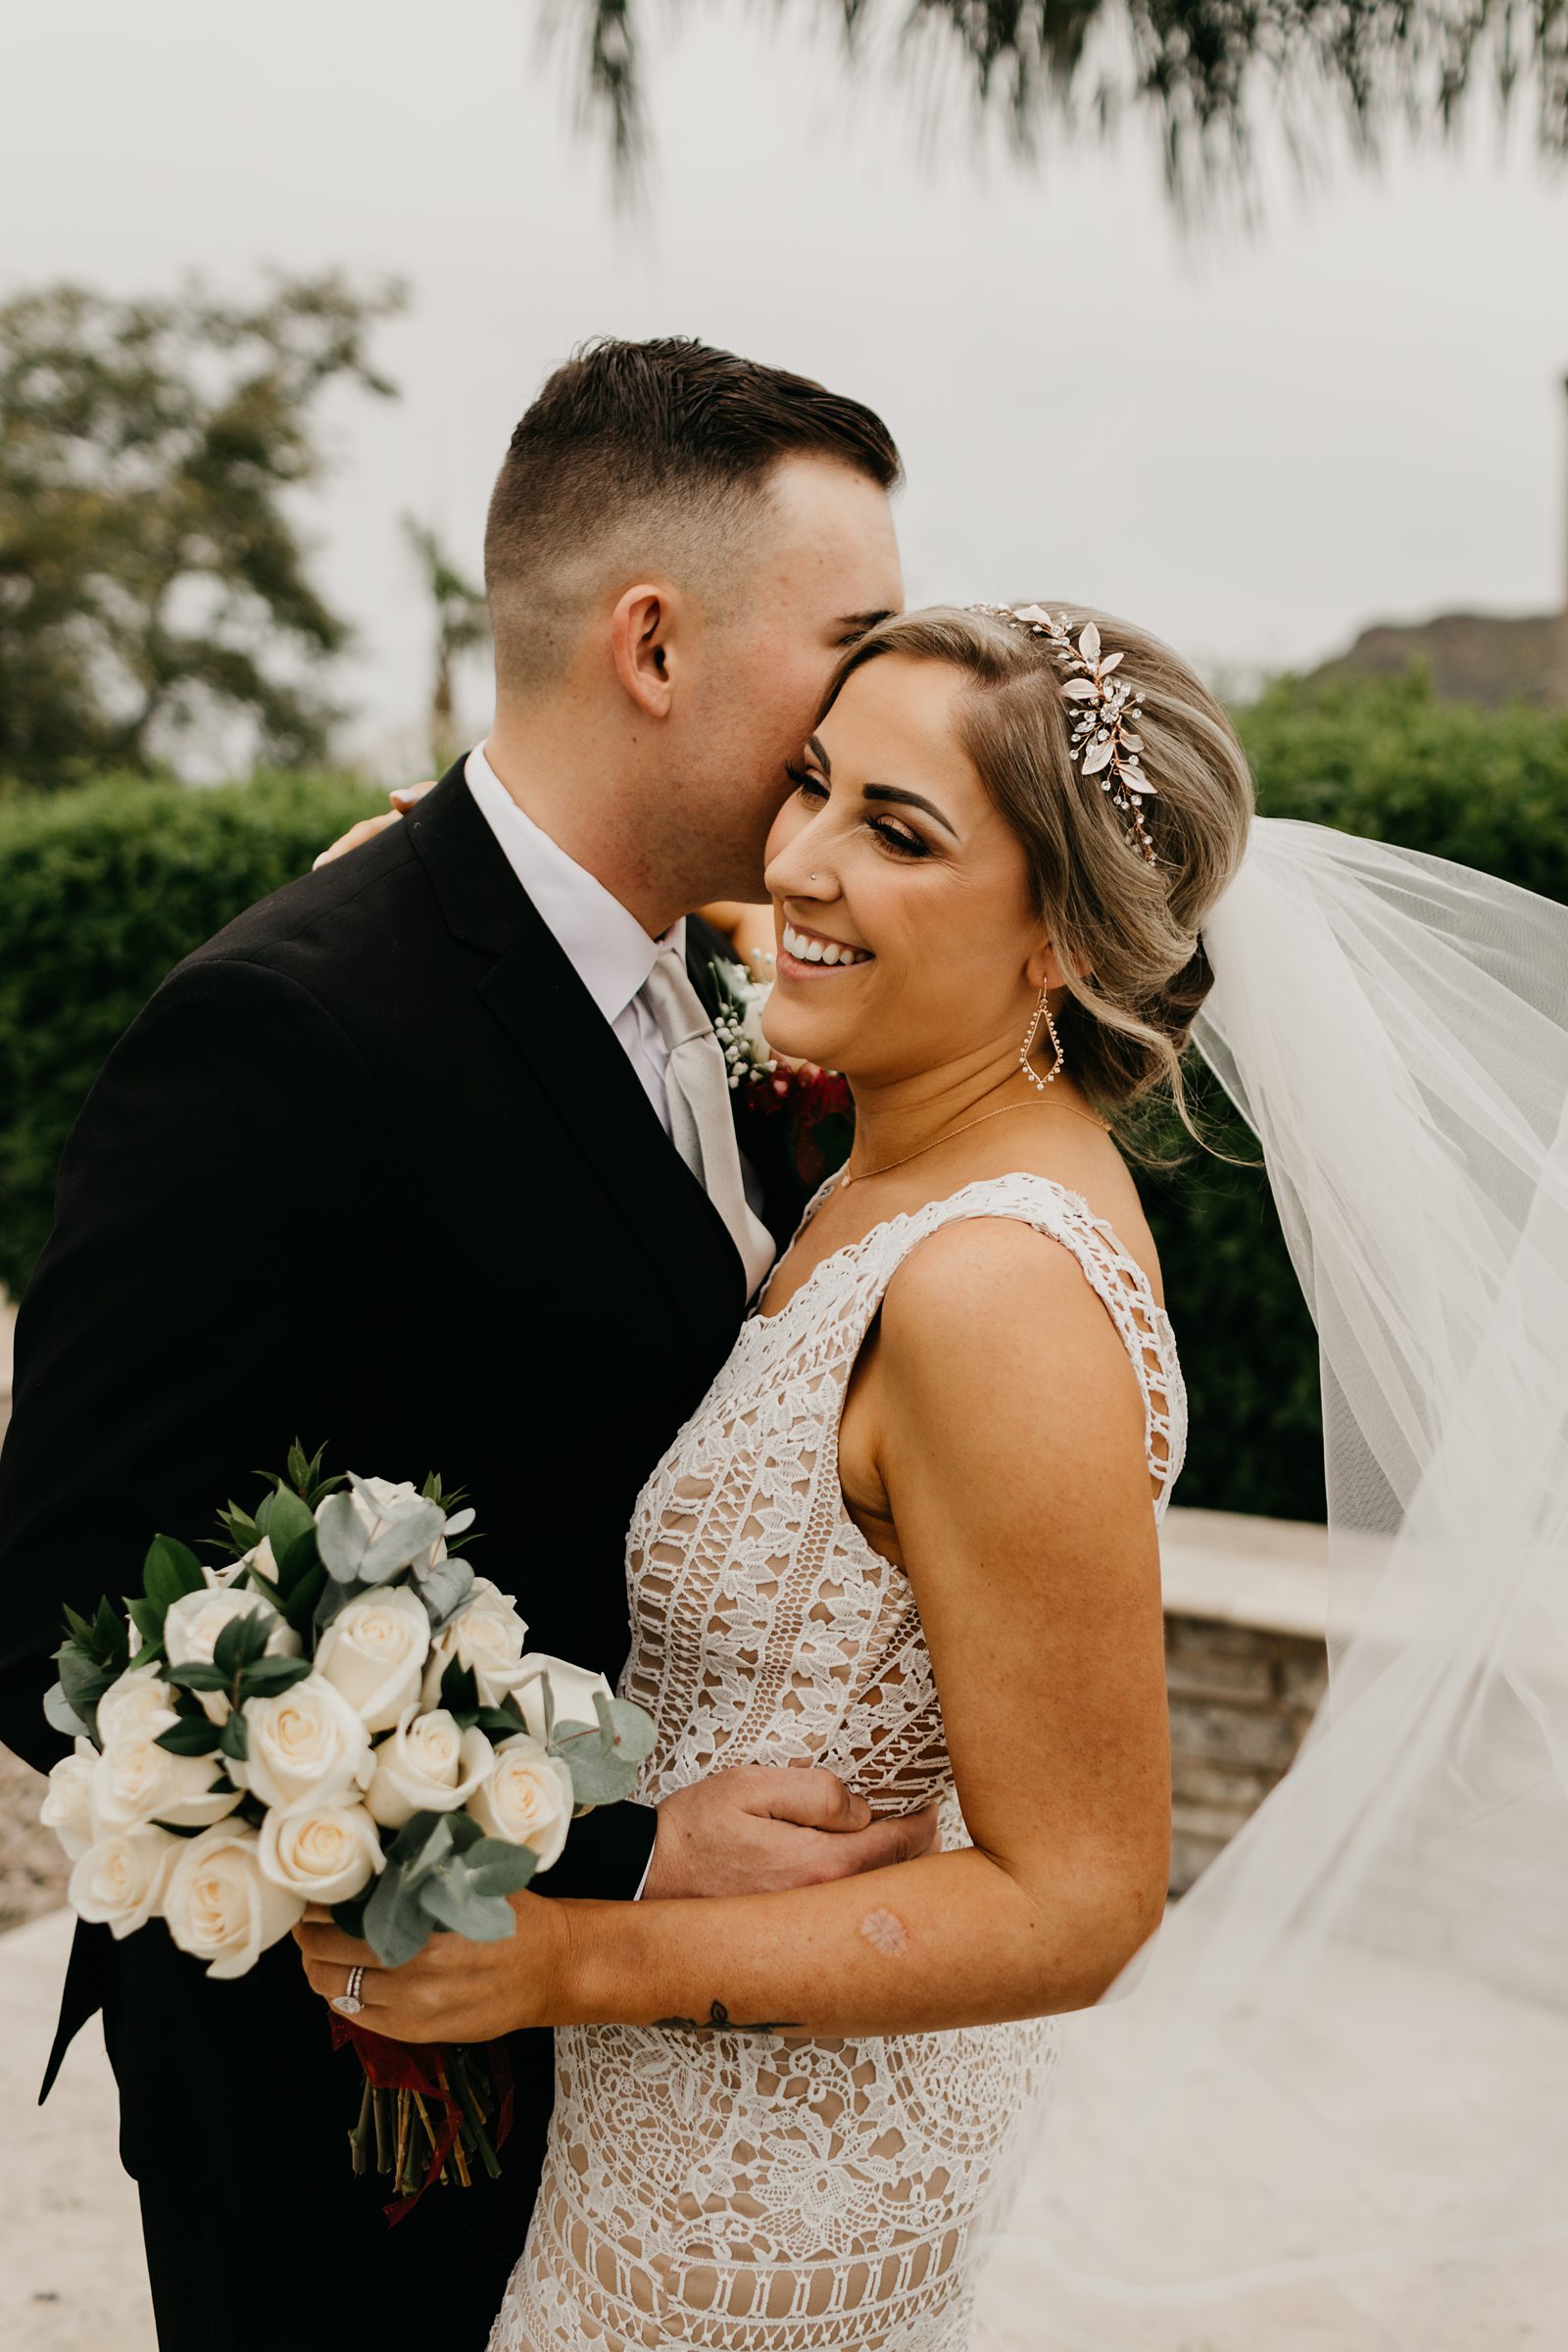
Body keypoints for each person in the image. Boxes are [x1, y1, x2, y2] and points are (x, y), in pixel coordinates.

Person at [303, 593, 1568, 2352]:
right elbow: (789, 917)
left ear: (1058, 935)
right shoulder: (906, 1133)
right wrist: (435, 896)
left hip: (770, 2214)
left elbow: (1081, 1901)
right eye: (811, 784)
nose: (802, 860)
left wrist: (569, 1953)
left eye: (896, 830)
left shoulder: (992, 1293)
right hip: (678, 2133)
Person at [0, 337, 930, 2351]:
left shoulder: (722, 998)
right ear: (655, 646)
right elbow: (59, 1613)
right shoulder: (288, 1033)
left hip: (664, 2122)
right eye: (848, 647)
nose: (866, 711)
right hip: (371, 2131)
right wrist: (620, 1840)